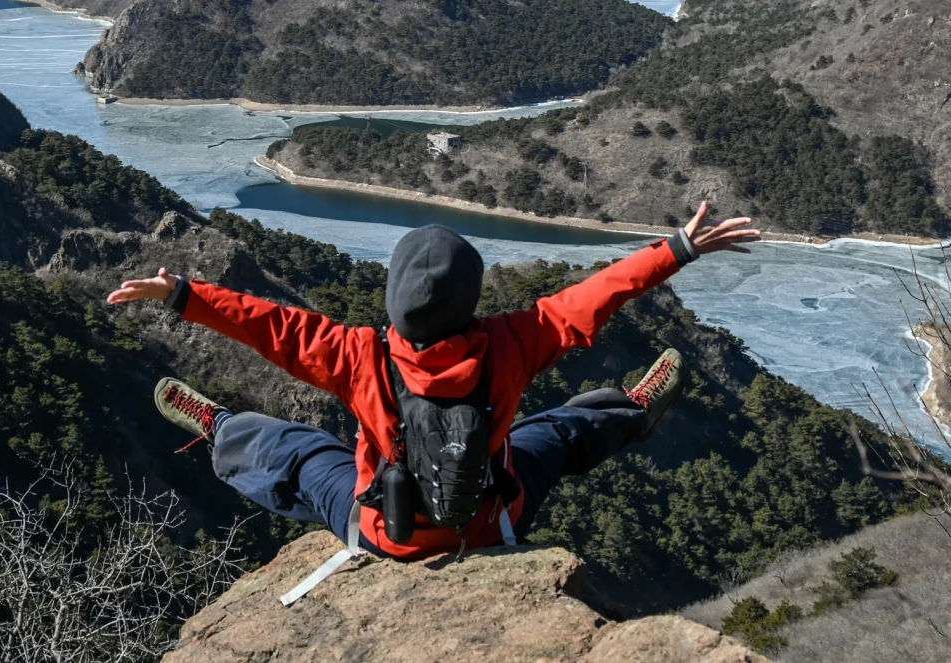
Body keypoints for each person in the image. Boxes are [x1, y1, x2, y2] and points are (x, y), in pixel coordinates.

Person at [107, 200, 759, 571]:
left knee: (295, 451)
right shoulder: (512, 340)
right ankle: (631, 412)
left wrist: (185, 295)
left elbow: (272, 326)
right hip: (491, 522)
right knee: (552, 433)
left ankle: (221, 427)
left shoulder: (357, 354)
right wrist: (675, 247)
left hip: (381, 533)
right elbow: (592, 299)